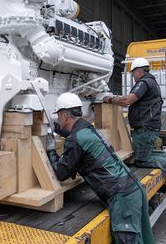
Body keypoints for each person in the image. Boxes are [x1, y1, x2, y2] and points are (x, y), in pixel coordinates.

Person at [46, 92, 154, 244]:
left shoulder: (77, 139)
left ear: (64, 115)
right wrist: (55, 129)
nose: (57, 118)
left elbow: (61, 173)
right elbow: (74, 136)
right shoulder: (87, 128)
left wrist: (50, 150)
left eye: (58, 115)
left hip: (122, 198)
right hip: (133, 190)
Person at [103, 57, 166, 190]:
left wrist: (110, 99)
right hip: (148, 127)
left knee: (143, 160)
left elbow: (127, 100)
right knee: (147, 155)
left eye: (133, 73)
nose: (133, 76)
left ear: (138, 71)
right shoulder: (151, 82)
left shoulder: (144, 82)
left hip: (145, 128)